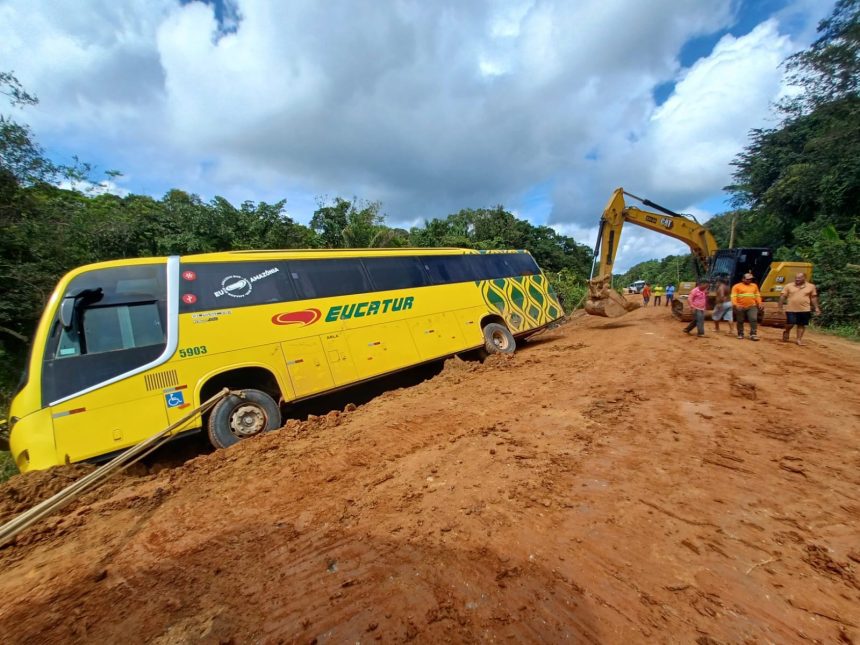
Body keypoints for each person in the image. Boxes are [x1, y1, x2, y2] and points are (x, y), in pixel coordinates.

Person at [779, 272, 820, 345]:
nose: (797, 279)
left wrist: (816, 308)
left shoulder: (811, 286)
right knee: (790, 323)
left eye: (799, 278)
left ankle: (799, 340)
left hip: (804, 309)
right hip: (791, 308)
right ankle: (787, 331)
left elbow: (813, 298)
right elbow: (782, 296)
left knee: (801, 324)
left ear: (804, 278)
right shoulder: (789, 285)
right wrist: (780, 307)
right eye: (796, 278)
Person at [731, 272, 762, 341]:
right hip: (740, 306)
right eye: (748, 279)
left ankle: (753, 334)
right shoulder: (736, 286)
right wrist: (736, 305)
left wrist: (759, 303)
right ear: (743, 279)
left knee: (753, 319)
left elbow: (757, 295)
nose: (749, 280)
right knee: (740, 320)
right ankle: (740, 334)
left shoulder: (754, 286)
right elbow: (733, 297)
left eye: (750, 279)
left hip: (752, 306)